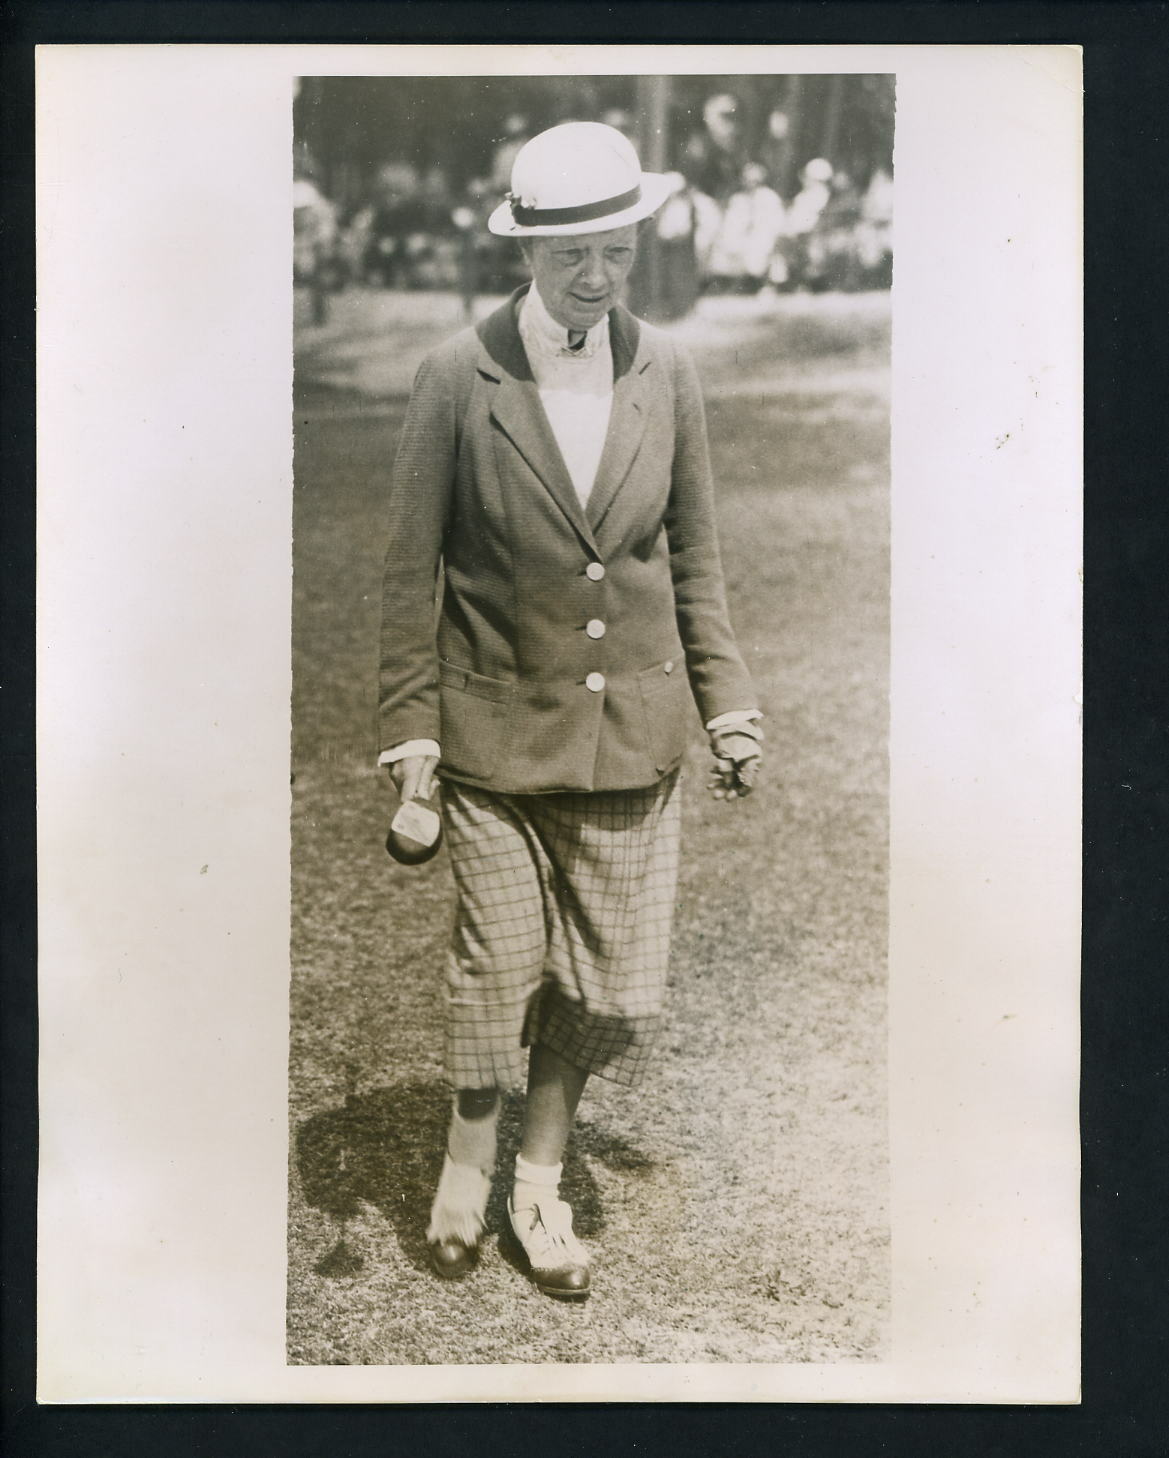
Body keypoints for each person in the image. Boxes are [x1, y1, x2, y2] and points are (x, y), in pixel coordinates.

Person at [377, 121, 763, 1300]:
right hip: (492, 742)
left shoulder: (668, 369)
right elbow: (410, 573)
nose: (595, 278)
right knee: (497, 973)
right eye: (571, 257)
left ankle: (539, 1184)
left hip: (634, 744)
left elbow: (692, 559)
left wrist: (729, 709)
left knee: (605, 990)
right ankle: (469, 1160)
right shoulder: (458, 375)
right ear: (525, 253)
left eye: (616, 251)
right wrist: (413, 734)